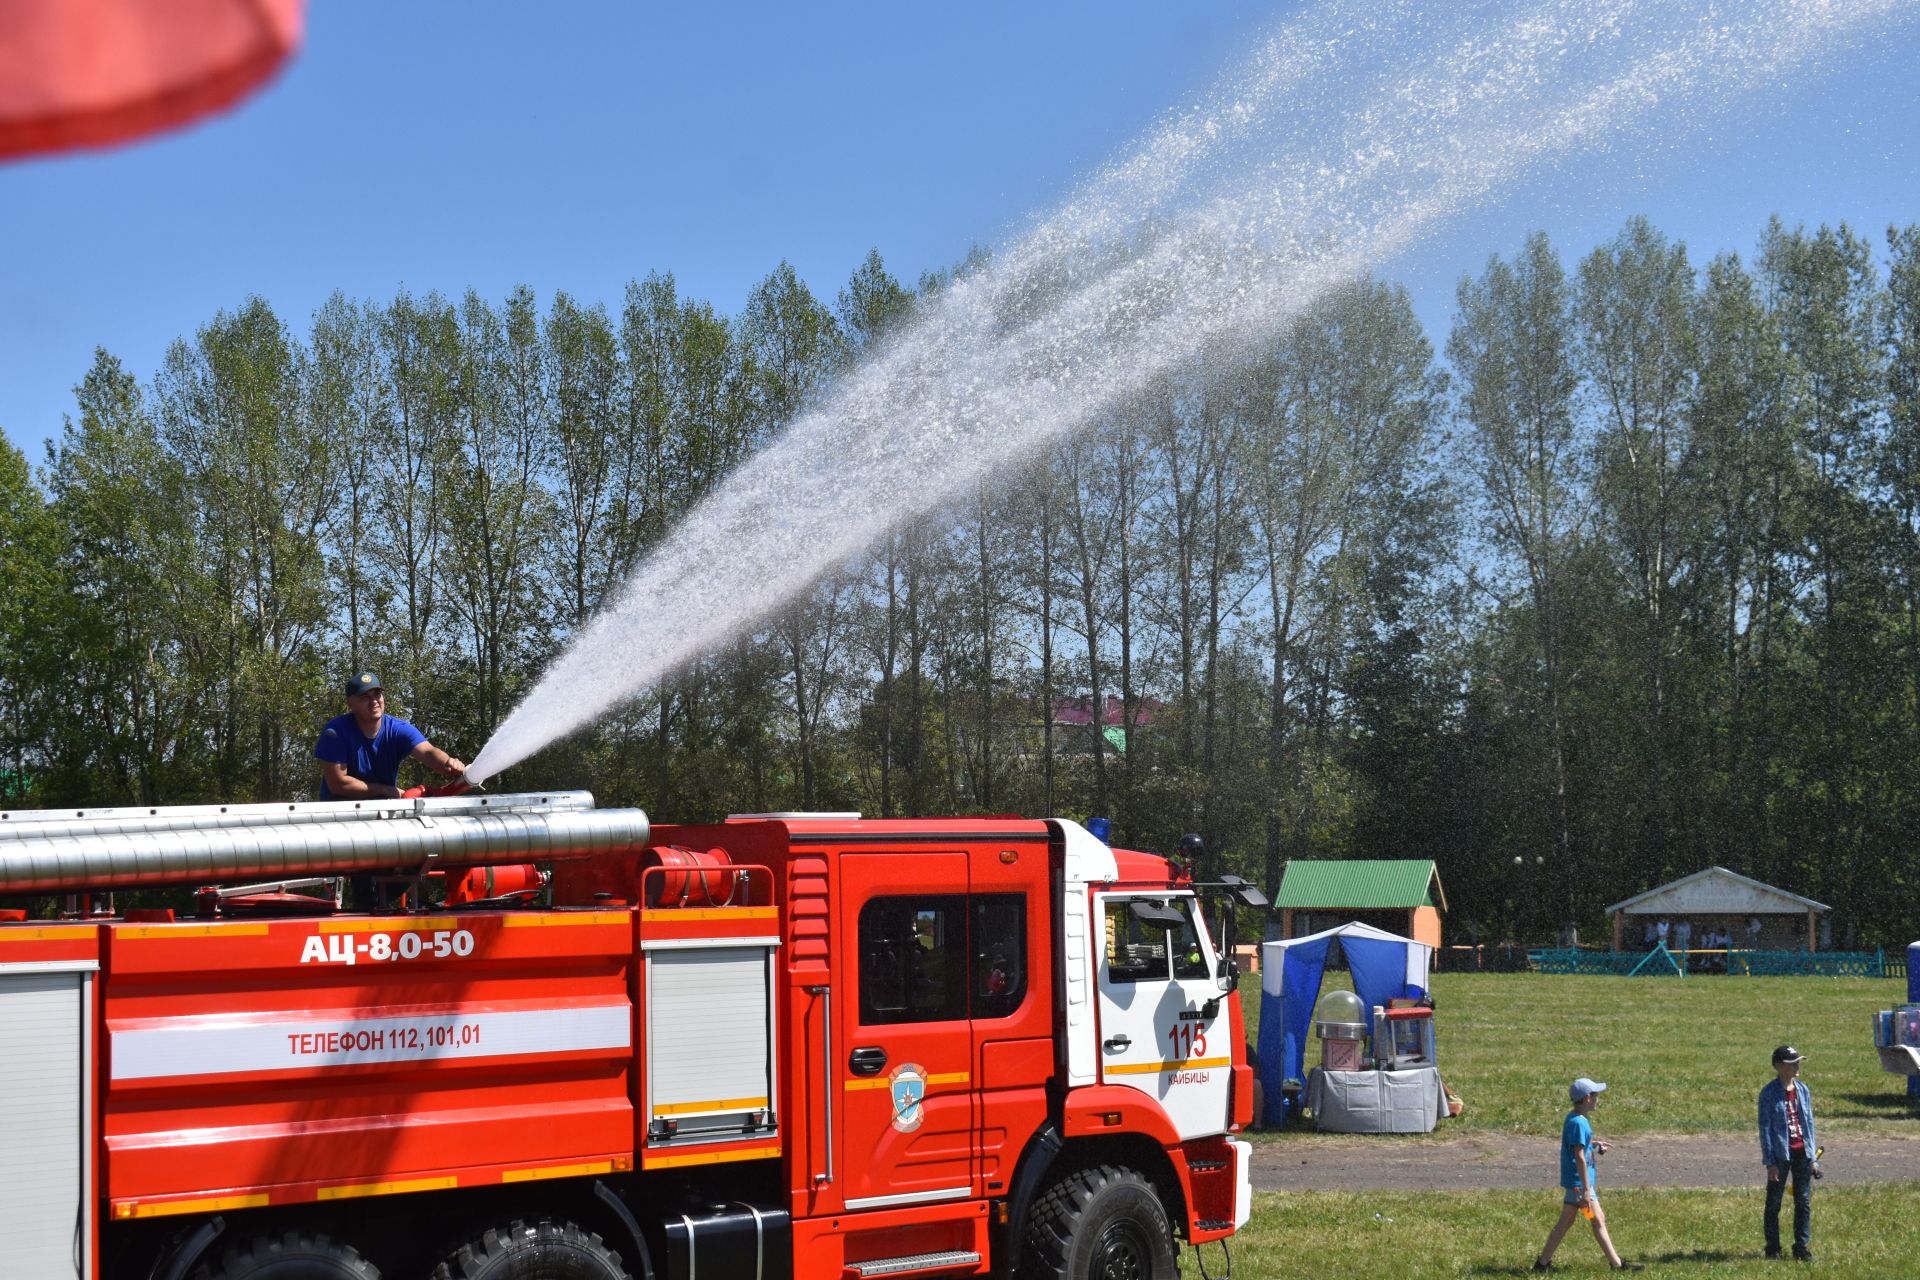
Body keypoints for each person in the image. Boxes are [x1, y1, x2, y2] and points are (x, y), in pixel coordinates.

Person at [1534, 1078, 1641, 1272]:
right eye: (1596, 1096)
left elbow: (1578, 1148)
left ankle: (1542, 1264)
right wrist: (1585, 1190)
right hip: (1579, 1186)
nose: (1598, 1099)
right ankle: (1616, 1265)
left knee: (1573, 1221)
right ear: (1587, 1098)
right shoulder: (1579, 1124)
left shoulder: (1574, 1118)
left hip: (1579, 1185)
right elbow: (1579, 1157)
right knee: (1595, 1219)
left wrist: (1595, 1146)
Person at [314, 671, 466, 800]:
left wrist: (448, 763)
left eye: (377, 694)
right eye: (364, 697)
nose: (374, 701)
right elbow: (338, 784)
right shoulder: (335, 732)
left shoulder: (398, 729)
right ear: (350, 703)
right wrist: (385, 790)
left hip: (383, 815)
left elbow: (427, 752)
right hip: (339, 818)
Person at [1759, 1045, 1819, 1261]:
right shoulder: (1768, 1093)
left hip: (1802, 1153)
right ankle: (1773, 1248)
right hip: (1780, 1156)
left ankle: (1801, 1247)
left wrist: (1812, 1157)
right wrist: (1770, 1162)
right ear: (1778, 1066)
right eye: (1791, 1063)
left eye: (1798, 1062)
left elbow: (1809, 1124)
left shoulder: (1803, 1090)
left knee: (1803, 1201)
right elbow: (1765, 1128)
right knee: (1774, 1202)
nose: (1796, 1066)